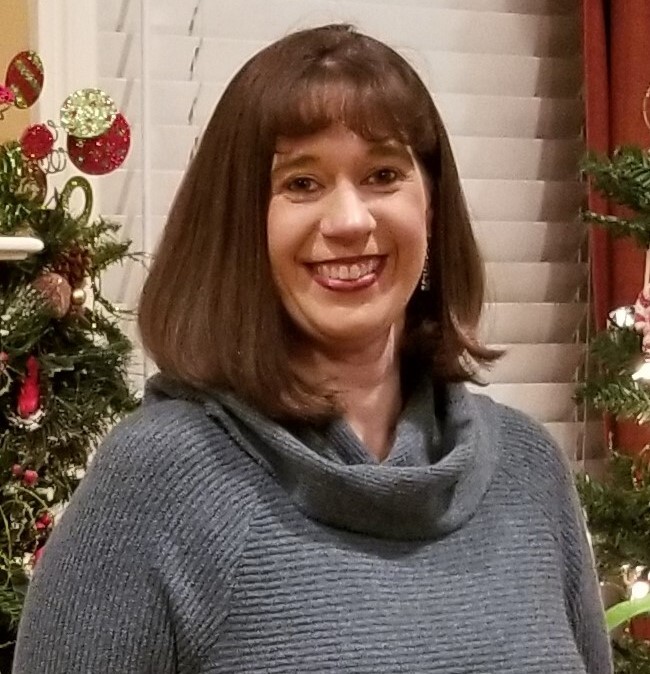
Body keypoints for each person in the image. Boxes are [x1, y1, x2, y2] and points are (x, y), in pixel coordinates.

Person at [13, 23, 612, 674]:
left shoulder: (529, 472)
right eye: (301, 183)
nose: (350, 220)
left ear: (432, 208)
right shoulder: (157, 484)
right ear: (241, 225)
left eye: (383, 174)